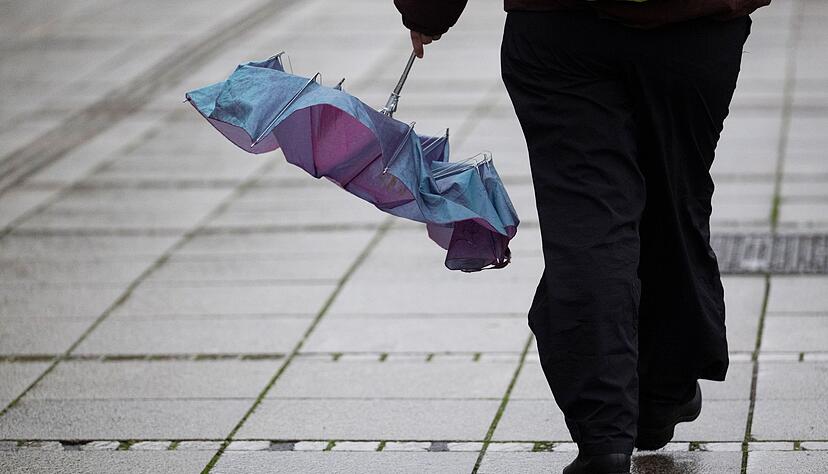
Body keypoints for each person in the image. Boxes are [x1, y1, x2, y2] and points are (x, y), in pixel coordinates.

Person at [393, 1, 770, 473]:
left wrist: (428, 11)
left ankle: (606, 435)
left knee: (589, 219)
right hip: (695, 25)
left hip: (560, 29)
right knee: (674, 203)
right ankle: (660, 395)